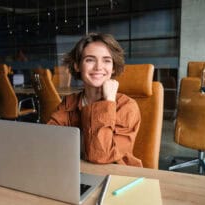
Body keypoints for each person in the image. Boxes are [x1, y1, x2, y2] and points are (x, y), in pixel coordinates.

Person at [47, 33, 142, 167]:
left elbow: (101, 156)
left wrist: (108, 103)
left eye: (106, 60)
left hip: (115, 176)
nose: (98, 67)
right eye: (90, 60)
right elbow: (49, 142)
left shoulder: (126, 106)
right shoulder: (69, 102)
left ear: (113, 67)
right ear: (77, 66)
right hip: (76, 171)